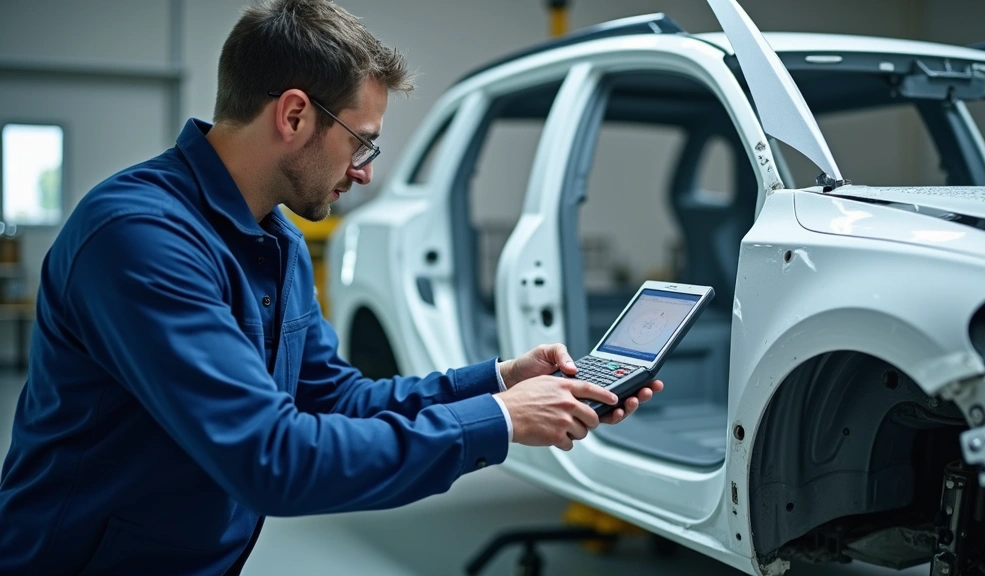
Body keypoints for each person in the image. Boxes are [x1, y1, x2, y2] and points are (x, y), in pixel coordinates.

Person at [0, 0, 664, 574]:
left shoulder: (274, 237)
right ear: (293, 115)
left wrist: (498, 382)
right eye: (362, 144)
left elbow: (333, 396)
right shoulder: (138, 238)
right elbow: (273, 459)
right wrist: (499, 422)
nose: (366, 172)